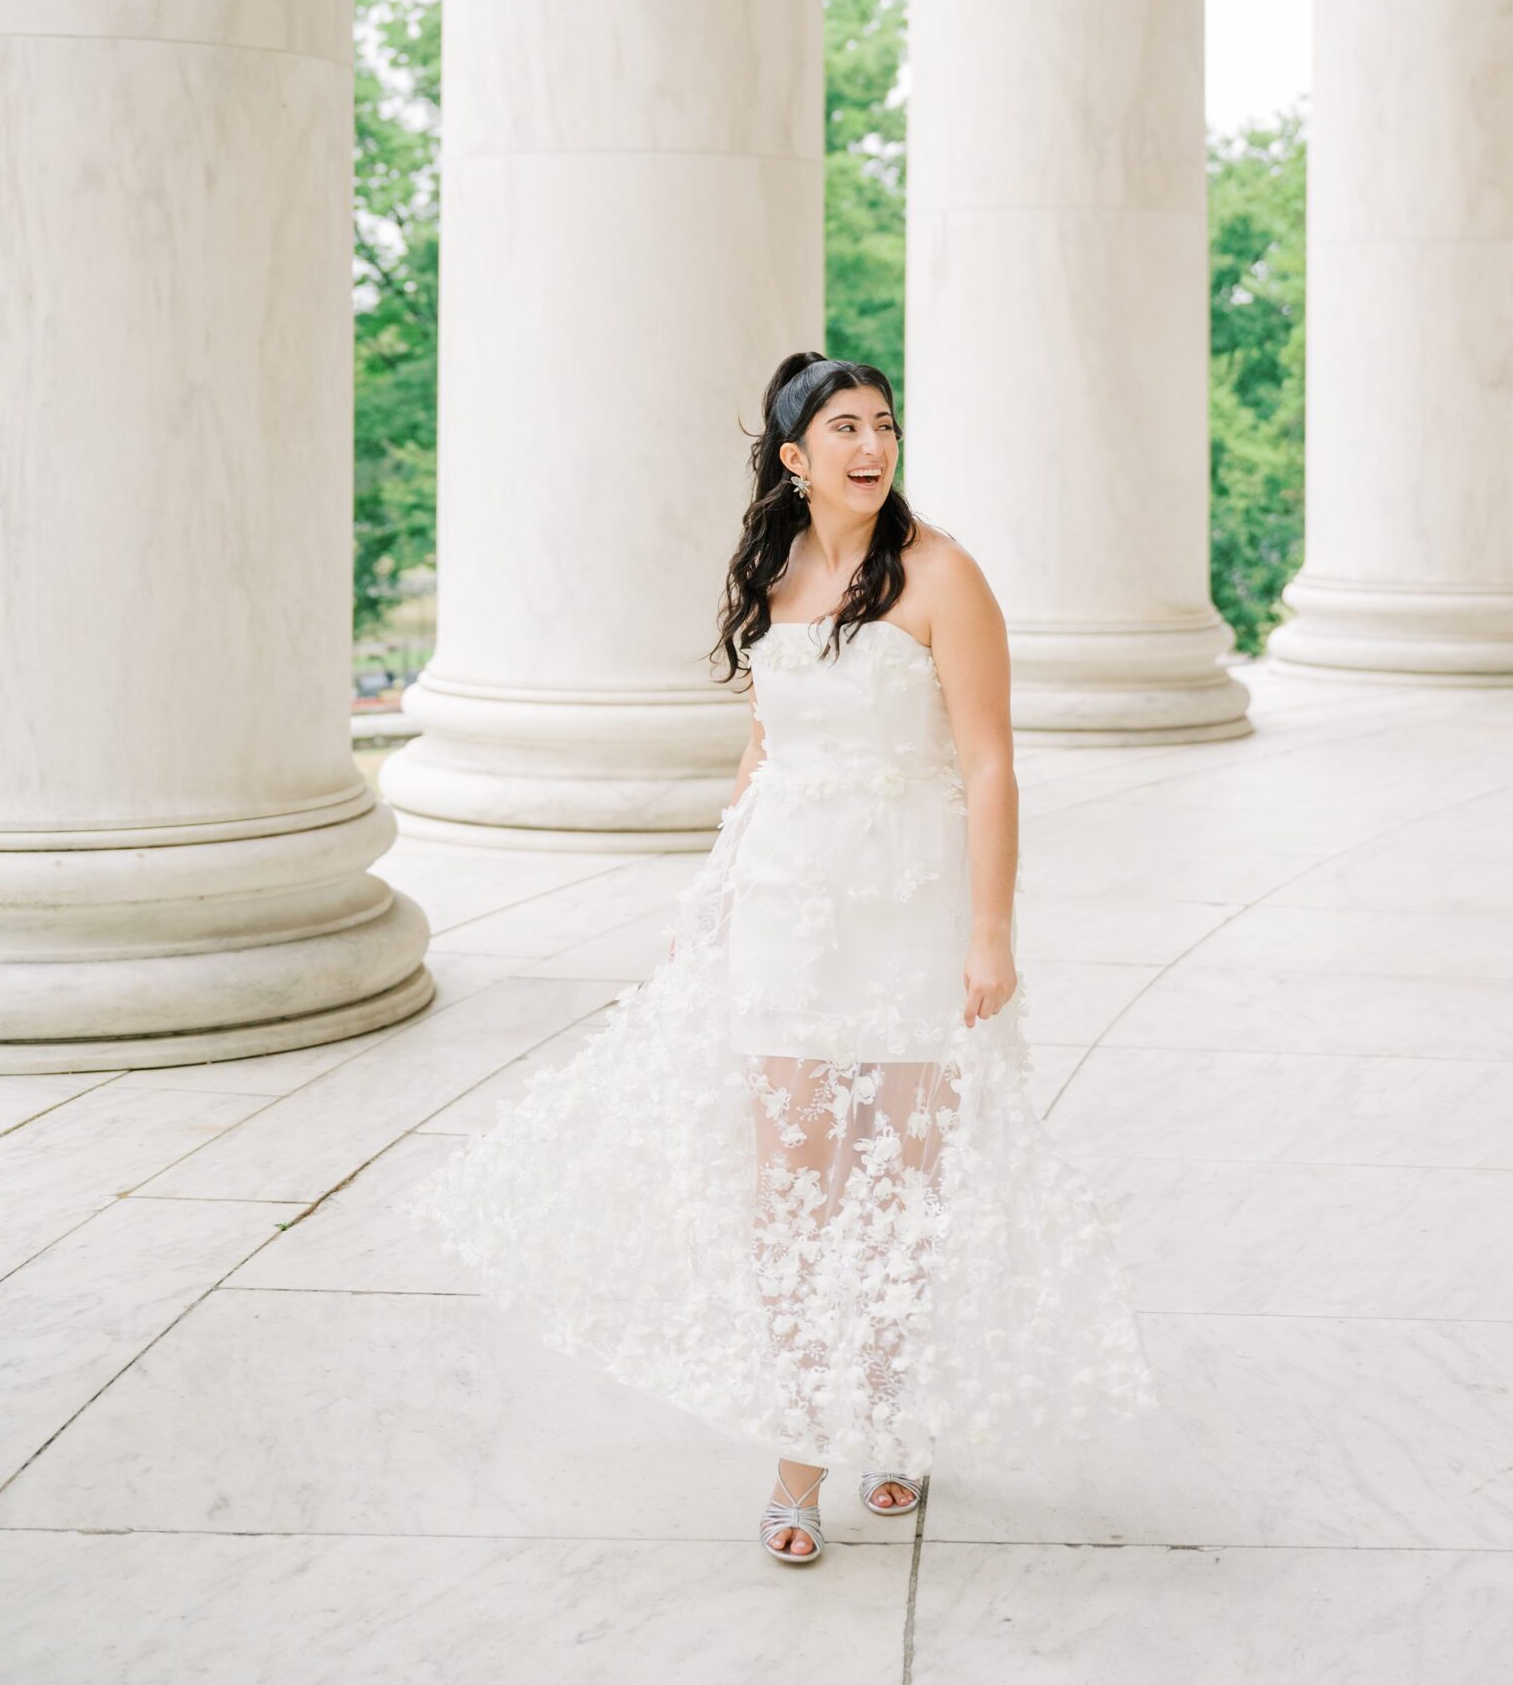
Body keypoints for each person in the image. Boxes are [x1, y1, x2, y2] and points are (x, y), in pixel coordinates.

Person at [405, 352, 1156, 1566]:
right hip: (786, 915)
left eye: (885, 424)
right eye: (844, 427)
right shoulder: (773, 570)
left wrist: (988, 928)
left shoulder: (942, 575)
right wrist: (711, 893)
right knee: (793, 1199)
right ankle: (797, 1453)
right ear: (795, 457)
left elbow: (989, 763)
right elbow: (765, 749)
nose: (872, 444)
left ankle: (895, 1410)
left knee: (899, 1187)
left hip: (906, 912)